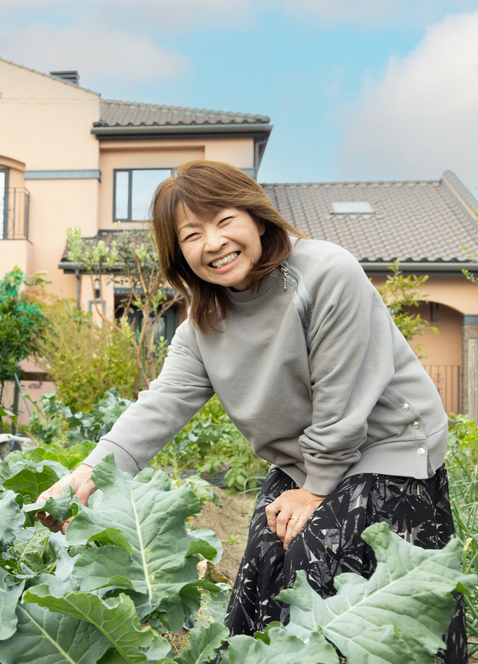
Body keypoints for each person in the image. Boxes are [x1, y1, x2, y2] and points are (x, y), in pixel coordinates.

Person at [39, 160, 465, 662]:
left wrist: (314, 491)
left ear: (258, 219)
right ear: (179, 253)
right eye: (191, 234)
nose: (213, 243)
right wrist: (90, 473)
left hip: (387, 447)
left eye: (224, 221)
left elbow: (342, 397)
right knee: (264, 563)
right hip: (304, 461)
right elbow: (162, 403)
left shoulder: (326, 273)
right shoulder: (202, 324)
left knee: (321, 568)